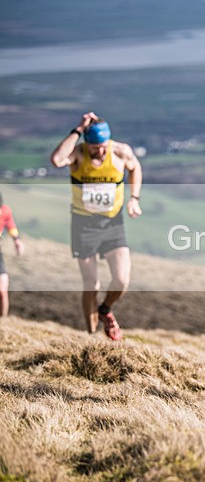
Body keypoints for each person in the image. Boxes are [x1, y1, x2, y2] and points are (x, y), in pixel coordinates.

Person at [50, 112, 143, 340]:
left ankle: (105, 309)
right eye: (94, 148)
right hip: (83, 226)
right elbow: (57, 160)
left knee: (121, 280)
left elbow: (135, 168)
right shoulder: (78, 153)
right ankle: (91, 336)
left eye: (103, 147)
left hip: (112, 223)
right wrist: (78, 129)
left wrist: (134, 198)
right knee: (91, 284)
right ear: (86, 143)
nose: (99, 152)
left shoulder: (120, 151)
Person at [0, 191, 25, 317]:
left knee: (2, 290)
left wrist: (17, 240)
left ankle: (4, 322)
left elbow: (10, 225)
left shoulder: (5, 211)